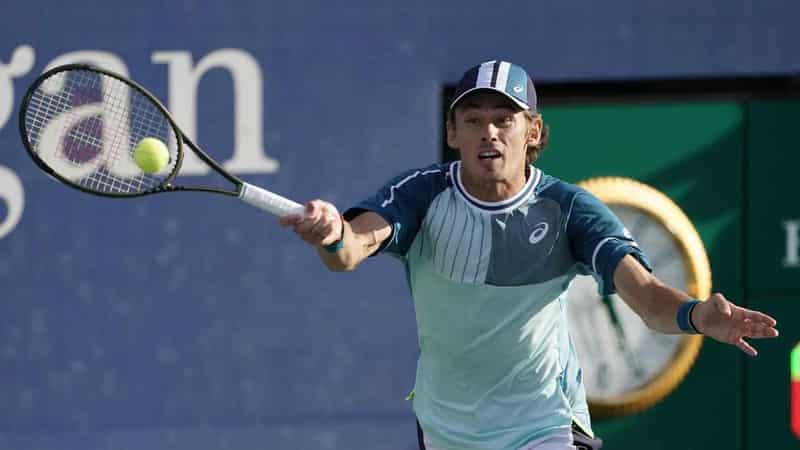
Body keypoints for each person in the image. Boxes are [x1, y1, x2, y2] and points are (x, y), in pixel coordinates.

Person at [279, 60, 779, 450]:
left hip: (546, 424)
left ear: (533, 131)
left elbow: (646, 298)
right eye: (473, 120)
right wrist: (331, 233)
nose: (489, 133)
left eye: (504, 120)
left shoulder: (570, 209)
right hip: (448, 430)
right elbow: (351, 249)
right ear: (453, 134)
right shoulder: (422, 194)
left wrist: (695, 314)